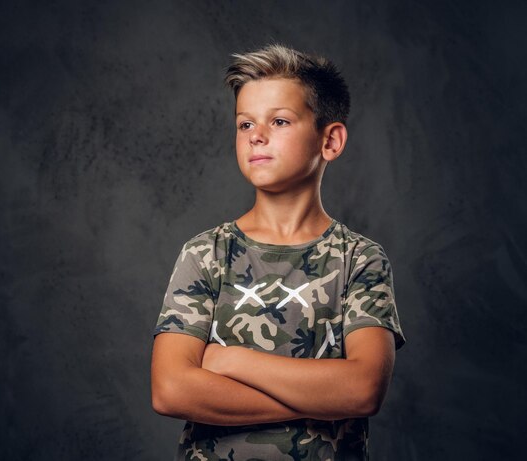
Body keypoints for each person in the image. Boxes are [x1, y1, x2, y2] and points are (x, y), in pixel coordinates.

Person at [150, 44, 405, 461]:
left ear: (331, 140)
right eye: (244, 123)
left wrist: (229, 360)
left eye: (280, 121)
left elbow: (362, 390)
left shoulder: (360, 259)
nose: (256, 135)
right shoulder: (206, 253)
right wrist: (321, 403)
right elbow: (170, 389)